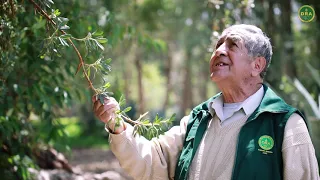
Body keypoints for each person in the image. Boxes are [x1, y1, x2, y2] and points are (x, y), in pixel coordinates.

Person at [92, 24, 319, 180]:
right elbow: (151, 163)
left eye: (232, 45)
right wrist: (117, 125)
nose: (218, 51)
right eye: (217, 46)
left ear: (256, 65)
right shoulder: (198, 119)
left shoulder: (284, 124)